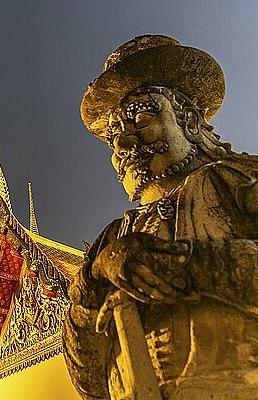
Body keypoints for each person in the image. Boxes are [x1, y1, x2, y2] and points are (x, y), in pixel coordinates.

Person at [63, 35, 258, 400]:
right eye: (114, 136)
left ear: (189, 119)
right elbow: (89, 383)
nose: (123, 144)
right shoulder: (116, 238)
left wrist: (188, 267)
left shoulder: (238, 181)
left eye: (141, 118)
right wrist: (93, 282)